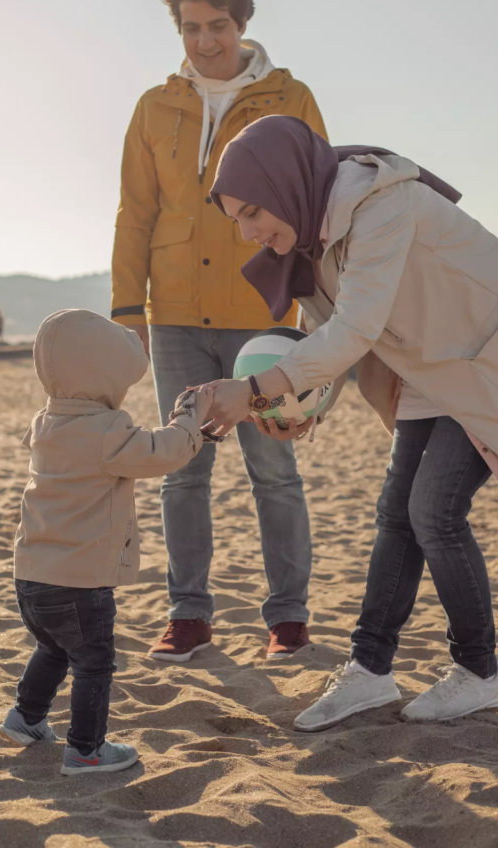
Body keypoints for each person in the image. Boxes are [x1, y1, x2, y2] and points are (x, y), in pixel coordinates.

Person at [207, 114, 498, 729]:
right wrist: (297, 406)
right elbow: (330, 336)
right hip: (429, 369)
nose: (248, 232)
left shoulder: (380, 203)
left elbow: (357, 326)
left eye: (253, 212)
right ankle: (369, 672)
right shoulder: (313, 235)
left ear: (286, 184)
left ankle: (480, 672)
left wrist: (255, 389)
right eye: (237, 219)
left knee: (434, 514)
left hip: (484, 361)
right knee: (396, 516)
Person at [111, 0, 328, 662]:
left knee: (274, 471)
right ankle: (189, 615)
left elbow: (319, 205)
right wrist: (126, 311)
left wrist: (318, 314)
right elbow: (136, 214)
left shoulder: (289, 98)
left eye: (219, 26)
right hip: (172, 314)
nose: (205, 41)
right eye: (191, 27)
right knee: (183, 469)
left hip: (262, 316)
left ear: (243, 22)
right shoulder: (153, 106)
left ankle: (288, 619)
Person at [0, 308, 214, 775]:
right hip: (79, 582)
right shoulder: (107, 431)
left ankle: (26, 717)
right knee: (94, 662)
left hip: (31, 577)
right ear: (104, 374)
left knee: (54, 648)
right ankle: (85, 750)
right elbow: (165, 452)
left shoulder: (45, 422)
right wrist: (189, 420)